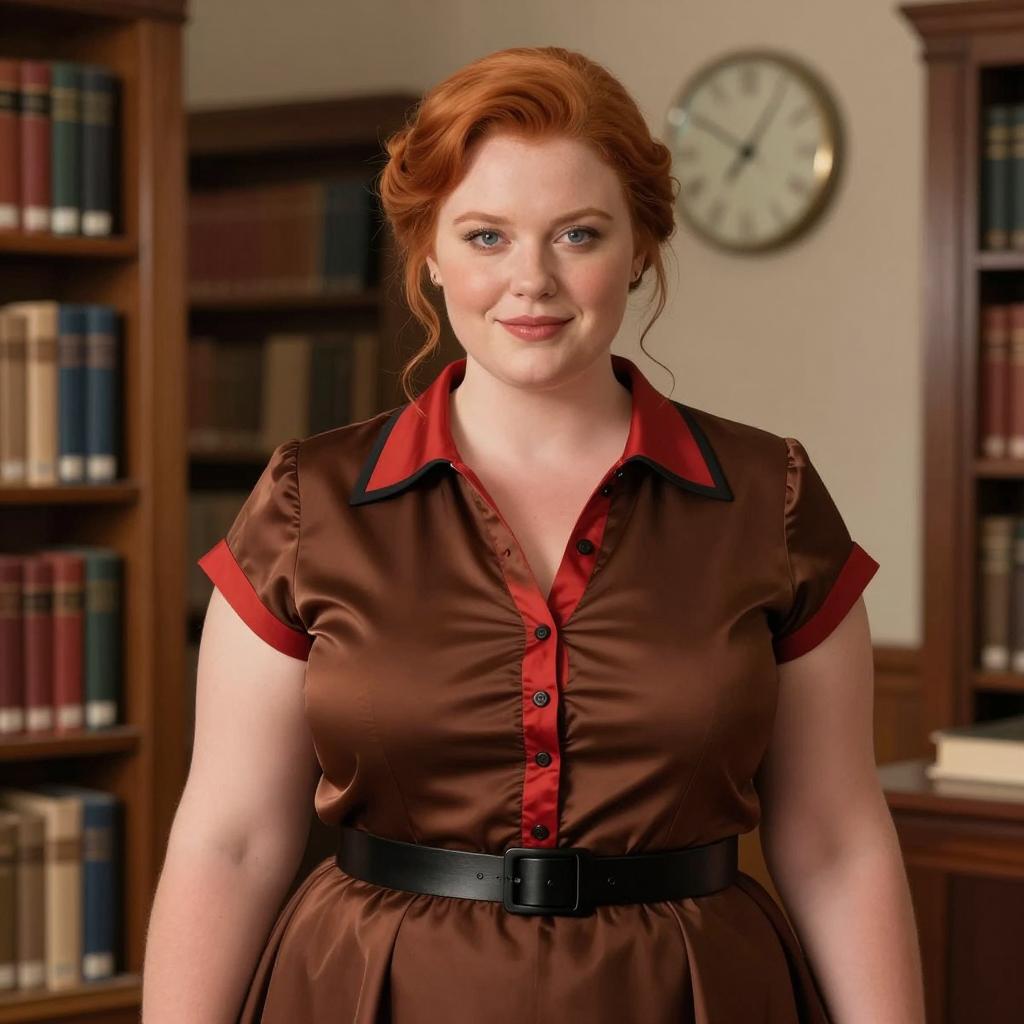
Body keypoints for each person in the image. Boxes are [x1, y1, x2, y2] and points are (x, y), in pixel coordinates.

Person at [141, 46, 926, 1024]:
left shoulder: (772, 499)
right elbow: (230, 840)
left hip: (691, 994)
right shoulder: (307, 502)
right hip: (367, 994)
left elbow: (836, 837)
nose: (531, 281)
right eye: (484, 236)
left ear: (640, 246)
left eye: (577, 234)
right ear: (427, 250)